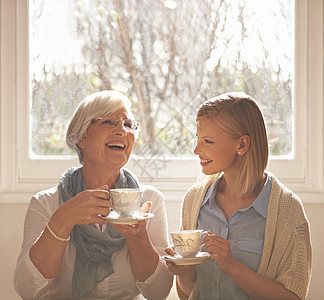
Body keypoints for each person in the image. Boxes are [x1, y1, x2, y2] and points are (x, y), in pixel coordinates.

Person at [13, 90, 173, 299]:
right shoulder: (46, 203)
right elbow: (26, 289)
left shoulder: (150, 202)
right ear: (81, 137)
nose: (121, 130)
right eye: (107, 122)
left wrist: (139, 237)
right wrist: (63, 220)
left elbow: (159, 292)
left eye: (128, 124)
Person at [166, 92, 312, 300]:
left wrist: (233, 267)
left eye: (207, 141)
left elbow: (294, 297)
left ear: (242, 145)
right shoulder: (193, 201)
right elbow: (190, 292)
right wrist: (184, 270)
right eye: (197, 139)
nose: (196, 149)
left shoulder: (288, 211)